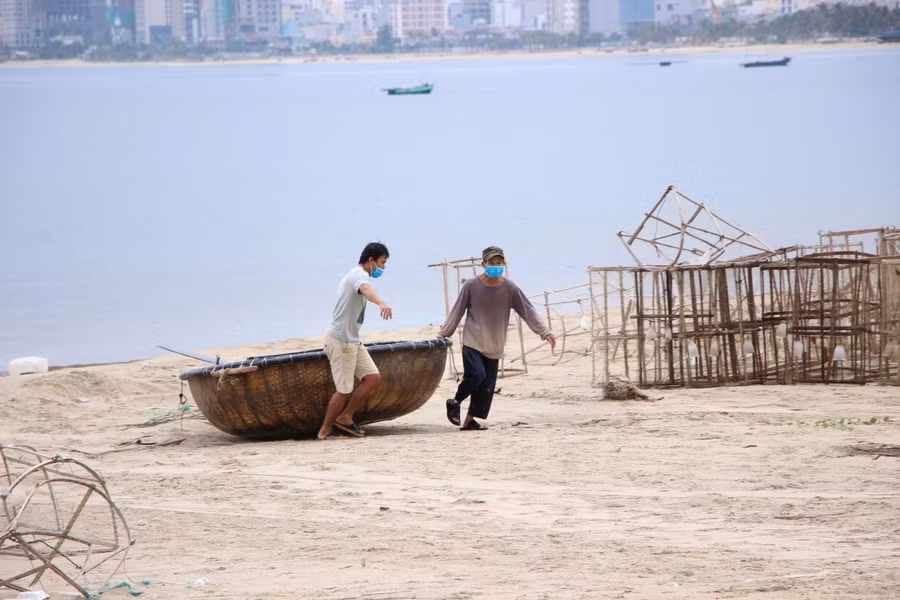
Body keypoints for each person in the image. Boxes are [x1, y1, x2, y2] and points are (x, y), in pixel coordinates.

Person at [438, 246, 556, 430]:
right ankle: (454, 401)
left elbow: (527, 310)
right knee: (476, 375)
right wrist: (444, 334)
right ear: (482, 264)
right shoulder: (471, 285)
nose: (495, 266)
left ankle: (469, 421)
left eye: (498, 263)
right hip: (473, 341)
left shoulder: (510, 288)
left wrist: (544, 332)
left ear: (504, 263)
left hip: (495, 344)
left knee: (486, 388)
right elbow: (458, 310)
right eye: (491, 263)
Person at [317, 242, 393, 440]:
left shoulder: (359, 276)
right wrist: (382, 303)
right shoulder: (358, 276)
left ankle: (345, 417)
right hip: (340, 341)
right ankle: (324, 431)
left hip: (353, 341)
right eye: (382, 263)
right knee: (343, 391)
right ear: (370, 260)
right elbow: (366, 290)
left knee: (372, 377)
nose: (383, 268)